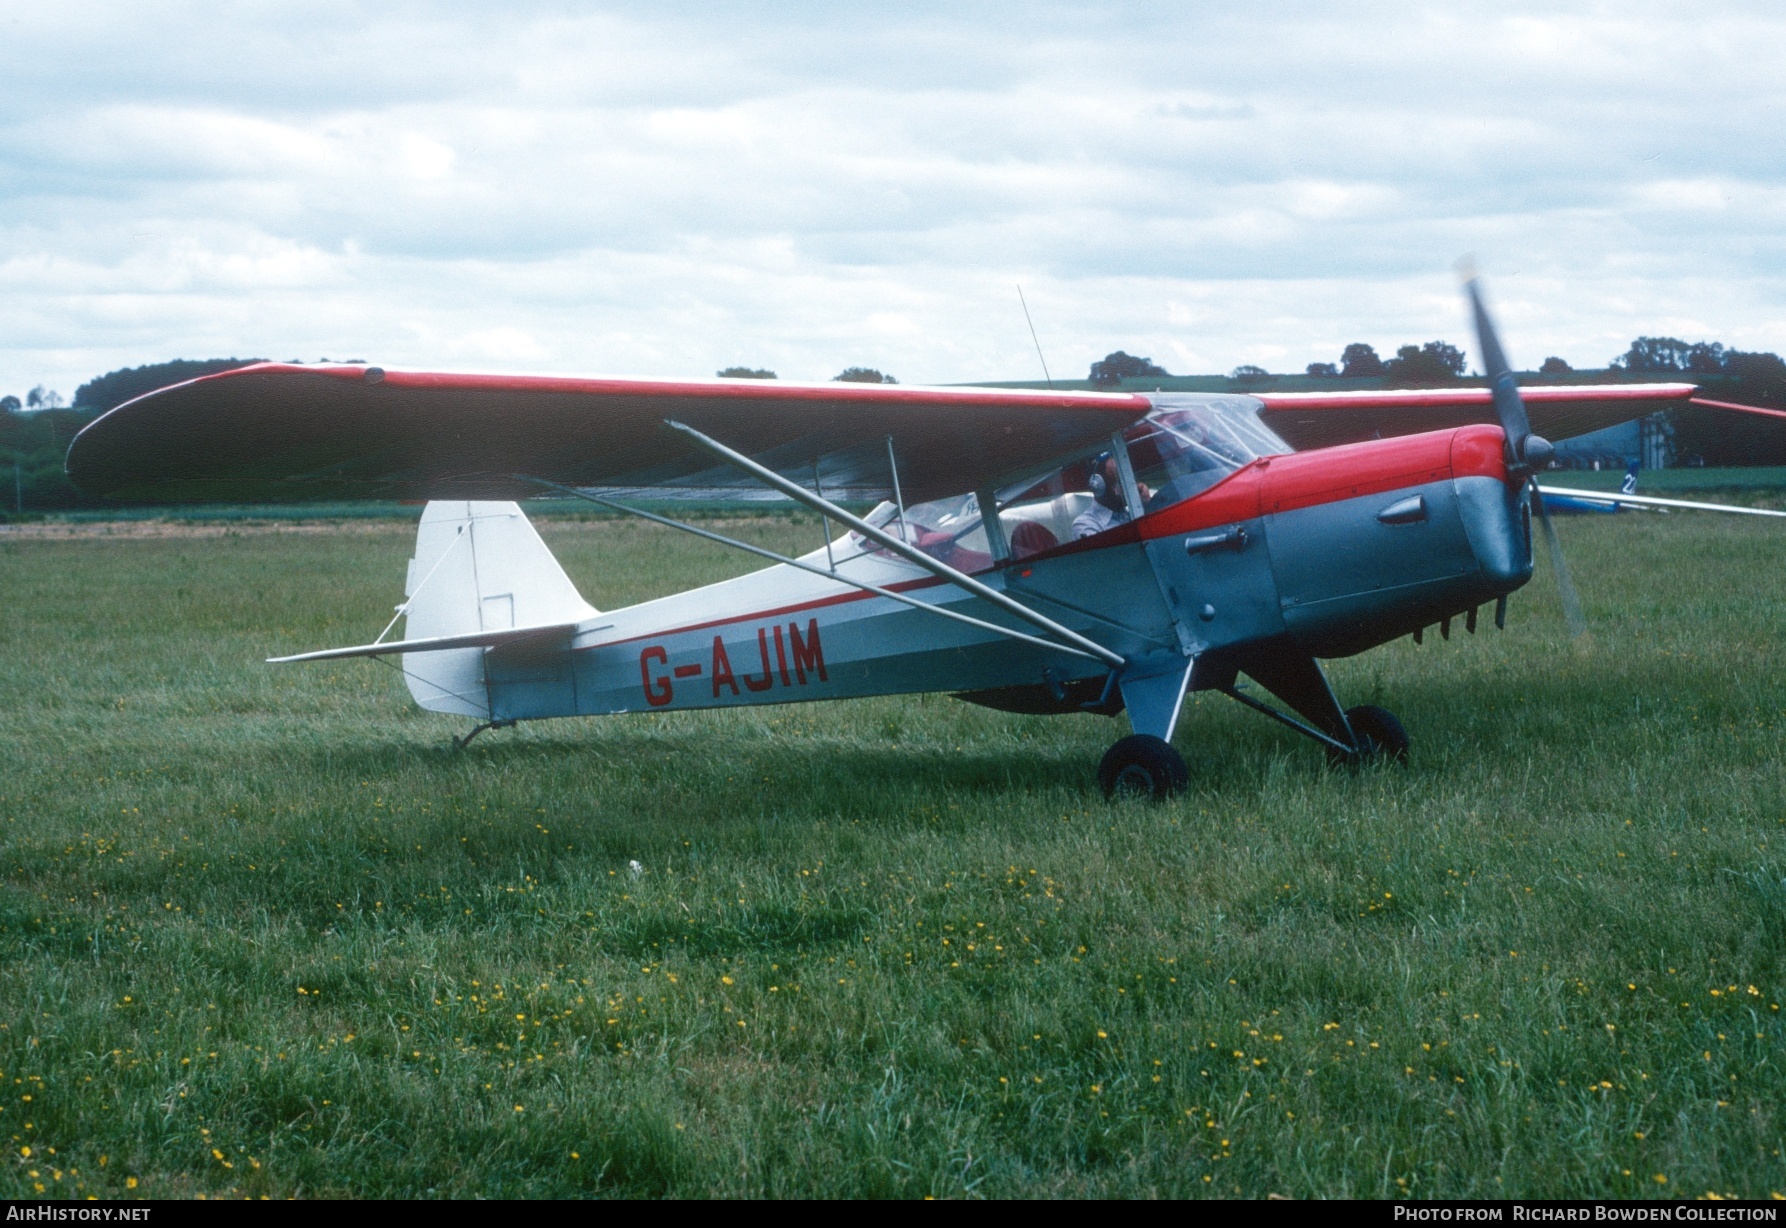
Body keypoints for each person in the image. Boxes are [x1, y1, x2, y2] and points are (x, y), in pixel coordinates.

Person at [1072, 454, 1150, 539]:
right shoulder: (1085, 524)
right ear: (1097, 486)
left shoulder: (1131, 514)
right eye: (1117, 481)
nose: (1125, 487)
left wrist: (1147, 505)